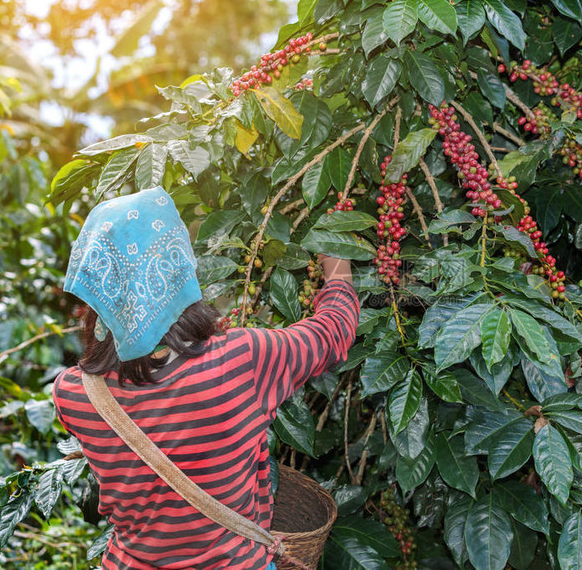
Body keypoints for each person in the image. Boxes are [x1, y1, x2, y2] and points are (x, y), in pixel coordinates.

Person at [52, 187, 359, 570]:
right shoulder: (242, 360)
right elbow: (334, 331)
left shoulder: (72, 393)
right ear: (179, 267)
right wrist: (337, 263)